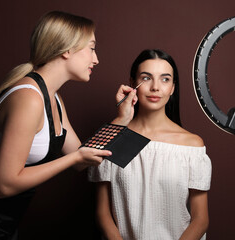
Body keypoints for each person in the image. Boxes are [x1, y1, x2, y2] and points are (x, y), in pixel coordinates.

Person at [0, 11, 137, 239]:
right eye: (92, 48)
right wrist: (74, 158)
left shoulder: (53, 99)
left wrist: (122, 118)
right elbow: (4, 186)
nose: (96, 59)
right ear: (67, 49)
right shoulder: (29, 99)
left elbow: (81, 160)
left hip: (4, 228)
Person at [88, 49, 212, 240]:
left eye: (165, 79)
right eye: (146, 78)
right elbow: (103, 214)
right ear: (132, 83)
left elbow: (200, 219)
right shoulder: (111, 138)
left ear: (173, 88)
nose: (155, 87)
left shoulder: (191, 145)